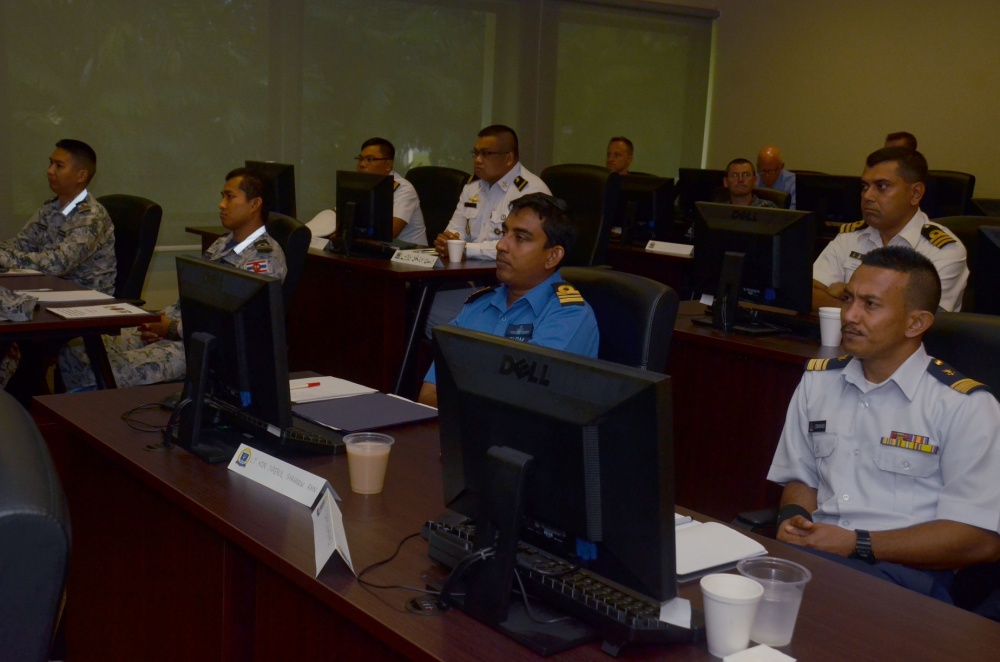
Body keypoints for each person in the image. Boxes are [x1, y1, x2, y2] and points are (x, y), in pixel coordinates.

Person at [768, 245, 1000, 603]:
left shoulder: (964, 405)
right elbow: (802, 476)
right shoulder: (818, 381)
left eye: (870, 305)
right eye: (848, 299)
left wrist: (856, 543)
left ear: (916, 323)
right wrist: (795, 517)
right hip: (818, 554)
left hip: (907, 580)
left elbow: (979, 538)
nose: (850, 315)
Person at [59, 168, 287, 390]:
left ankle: (93, 419)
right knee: (77, 349)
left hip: (201, 349)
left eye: (230, 197)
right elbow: (192, 301)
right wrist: (158, 322)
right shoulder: (222, 244)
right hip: (177, 330)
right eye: (222, 196)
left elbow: (234, 329)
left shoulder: (263, 259)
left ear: (255, 204)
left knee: (103, 369)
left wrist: (170, 329)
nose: (221, 204)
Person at [418, 193, 599, 407]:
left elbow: (523, 404)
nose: (501, 245)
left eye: (520, 238)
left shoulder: (569, 316)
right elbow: (429, 395)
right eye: (504, 232)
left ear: (552, 256)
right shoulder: (478, 306)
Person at [426, 125, 551, 333]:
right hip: (472, 281)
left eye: (486, 154)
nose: (477, 160)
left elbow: (520, 249)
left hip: (514, 287)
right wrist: (445, 243)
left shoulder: (531, 192)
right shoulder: (472, 188)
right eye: (475, 153)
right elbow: (453, 234)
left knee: (430, 311)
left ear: (509, 158)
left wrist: (464, 249)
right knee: (420, 306)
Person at [812, 147, 967, 311]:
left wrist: (849, 295)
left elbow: (918, 320)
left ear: (915, 193)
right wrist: (869, 306)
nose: (867, 196)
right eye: (865, 186)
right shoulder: (850, 236)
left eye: (882, 186)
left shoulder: (943, 250)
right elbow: (810, 293)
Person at [0, 139, 116, 294]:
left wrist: (4, 259)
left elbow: (59, 264)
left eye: (59, 166)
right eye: (51, 163)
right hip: (51, 289)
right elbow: (23, 244)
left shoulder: (91, 216)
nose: (50, 170)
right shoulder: (51, 207)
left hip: (85, 298)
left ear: (81, 176)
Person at [355, 137, 428, 245]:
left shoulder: (404, 189)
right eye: (360, 159)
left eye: (369, 159)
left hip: (409, 256)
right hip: (376, 251)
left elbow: (390, 232)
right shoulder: (362, 185)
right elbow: (339, 214)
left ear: (388, 165)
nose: (362, 164)